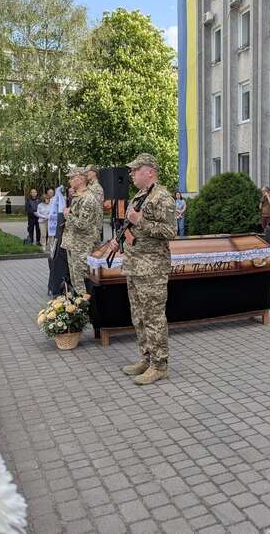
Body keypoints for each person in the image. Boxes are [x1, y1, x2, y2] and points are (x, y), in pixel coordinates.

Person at [108, 153, 176, 386]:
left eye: (135, 170)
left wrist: (139, 221)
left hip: (152, 268)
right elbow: (133, 228)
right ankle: (146, 359)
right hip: (135, 265)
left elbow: (170, 232)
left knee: (154, 317)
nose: (131, 174)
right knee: (138, 317)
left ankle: (159, 365)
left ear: (149, 171)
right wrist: (121, 240)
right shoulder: (140, 195)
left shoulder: (162, 197)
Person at [61, 167, 103, 294]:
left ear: (80, 179)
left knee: (82, 282)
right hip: (74, 243)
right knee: (75, 279)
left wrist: (68, 214)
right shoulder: (78, 196)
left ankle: (85, 309)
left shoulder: (88, 198)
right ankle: (78, 309)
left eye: (71, 178)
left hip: (82, 246)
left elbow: (82, 224)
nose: (69, 181)